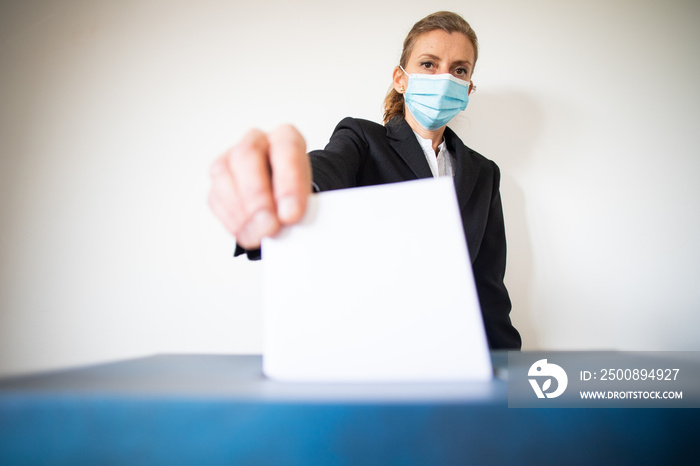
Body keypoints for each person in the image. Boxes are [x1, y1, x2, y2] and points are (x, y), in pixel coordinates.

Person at [208, 11, 522, 350]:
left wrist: (510, 376)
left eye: (459, 70)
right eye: (429, 64)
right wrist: (283, 188)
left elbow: (488, 287)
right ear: (400, 79)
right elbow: (327, 168)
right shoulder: (362, 139)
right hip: (371, 348)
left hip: (455, 351)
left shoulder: (484, 173)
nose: (444, 78)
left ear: (469, 87)